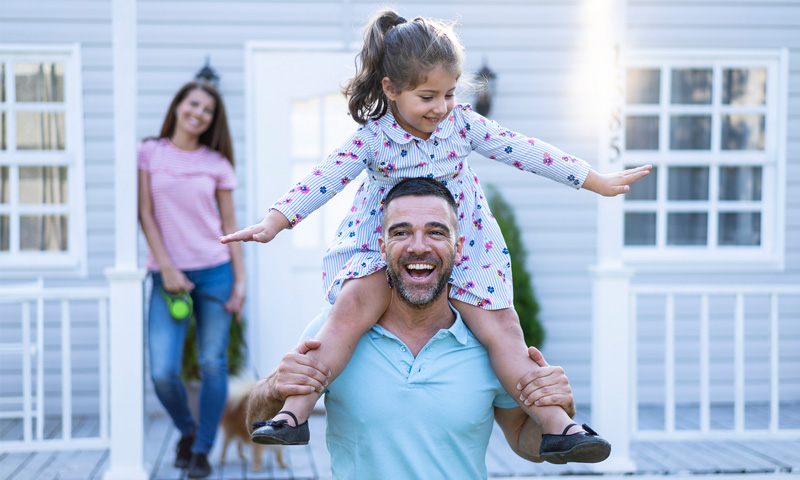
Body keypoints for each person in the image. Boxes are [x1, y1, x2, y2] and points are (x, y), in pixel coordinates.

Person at [222, 9, 649, 463]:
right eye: (427, 96)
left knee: (503, 327)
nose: (441, 107)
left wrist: (592, 179)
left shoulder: (461, 124)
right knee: (346, 313)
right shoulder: (373, 138)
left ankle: (556, 424)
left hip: (465, 242)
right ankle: (293, 415)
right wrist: (276, 220)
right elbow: (324, 178)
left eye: (448, 93)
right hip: (381, 245)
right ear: (391, 89)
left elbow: (525, 150)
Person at [246, 178, 603, 478]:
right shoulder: (334, 330)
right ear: (382, 246)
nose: (419, 247)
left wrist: (560, 408)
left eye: (436, 232)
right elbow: (256, 422)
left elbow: (525, 442)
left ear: (459, 247)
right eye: (402, 232)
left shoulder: (492, 343)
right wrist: (276, 386)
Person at [138, 80, 246, 479]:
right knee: (163, 371)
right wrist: (166, 267)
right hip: (167, 274)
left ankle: (201, 450)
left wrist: (240, 281)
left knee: (211, 363)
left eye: (208, 111)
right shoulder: (149, 153)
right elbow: (146, 214)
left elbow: (230, 224)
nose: (199, 114)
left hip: (216, 270)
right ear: (179, 105)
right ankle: (188, 431)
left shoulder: (217, 164)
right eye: (194, 104)